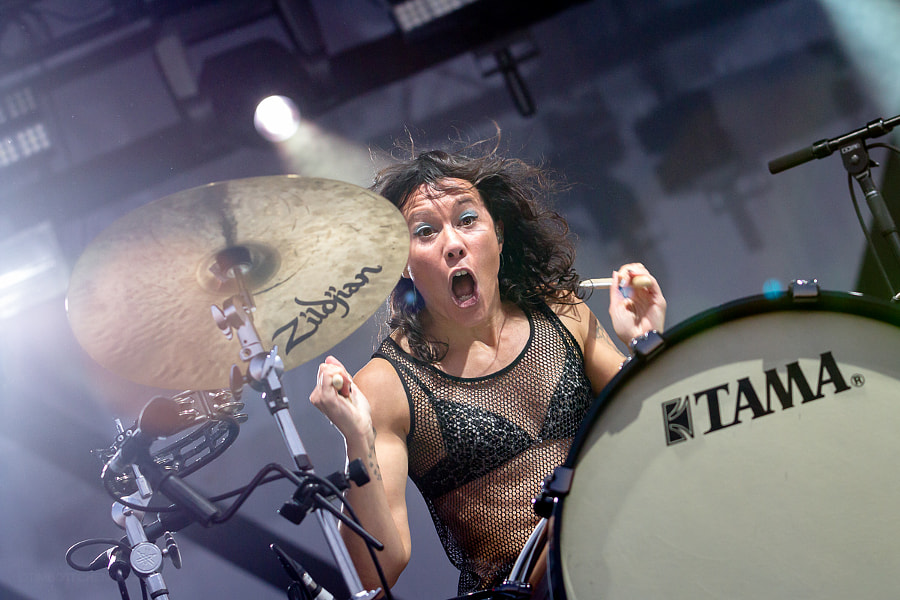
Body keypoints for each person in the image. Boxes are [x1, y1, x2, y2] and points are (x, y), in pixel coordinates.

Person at [308, 143, 667, 597]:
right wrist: (356, 440)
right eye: (425, 231)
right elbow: (374, 573)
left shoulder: (561, 312)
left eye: (467, 220)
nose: (454, 244)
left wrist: (645, 346)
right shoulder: (386, 385)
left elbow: (657, 434)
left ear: (497, 234)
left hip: (633, 559)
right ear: (401, 263)